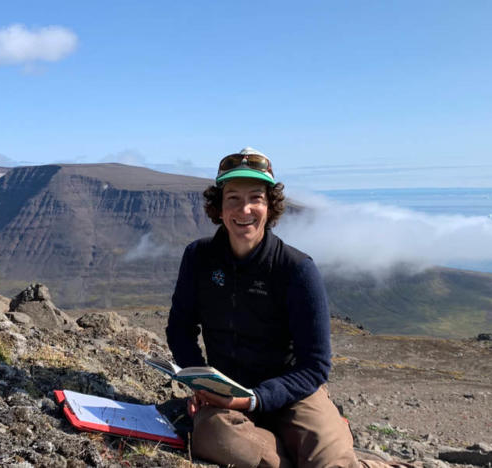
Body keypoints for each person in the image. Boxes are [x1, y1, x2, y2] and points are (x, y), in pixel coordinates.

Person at [166, 148, 409, 468]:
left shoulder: (296, 269)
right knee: (215, 437)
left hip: (294, 394)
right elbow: (180, 329)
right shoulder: (199, 257)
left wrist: (255, 399)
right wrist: (200, 383)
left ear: (269, 205)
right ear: (219, 207)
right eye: (233, 198)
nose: (245, 209)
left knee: (330, 461)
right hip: (225, 397)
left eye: (256, 197)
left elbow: (315, 366)